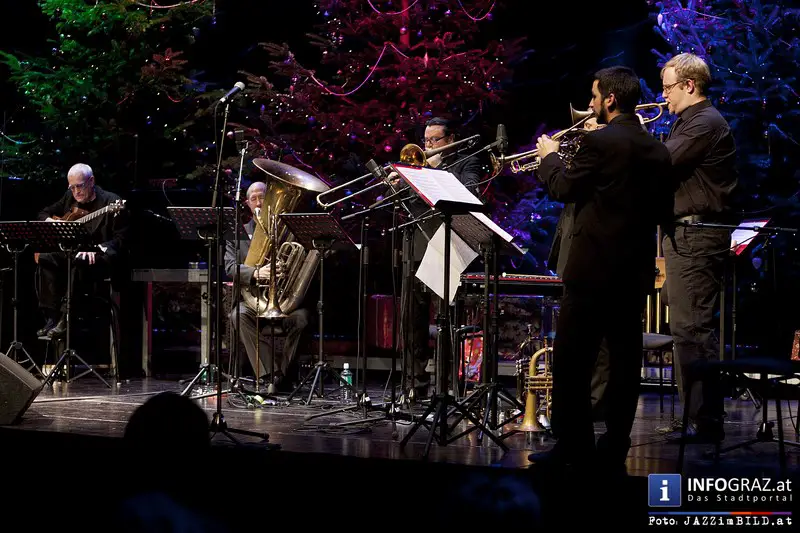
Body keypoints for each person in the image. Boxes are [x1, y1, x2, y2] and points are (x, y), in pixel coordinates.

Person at [529, 66, 672, 472]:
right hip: (633, 273)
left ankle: (574, 446)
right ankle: (615, 446)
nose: (590, 103)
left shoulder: (600, 142)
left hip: (591, 271)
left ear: (609, 98)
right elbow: (661, 210)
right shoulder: (658, 149)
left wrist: (549, 158)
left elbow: (562, 187)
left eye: (594, 96)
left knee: (573, 361)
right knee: (626, 363)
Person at [659, 53, 737, 442]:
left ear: (689, 85)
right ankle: (697, 416)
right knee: (685, 327)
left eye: (668, 88)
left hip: (697, 234)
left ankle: (705, 423)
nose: (662, 96)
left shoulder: (703, 122)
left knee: (692, 330)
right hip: (683, 234)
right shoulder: (686, 121)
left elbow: (660, 163)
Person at [395, 117, 486, 399]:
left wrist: (434, 172)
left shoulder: (466, 161)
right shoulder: (416, 165)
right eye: (426, 141)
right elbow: (407, 203)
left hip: (448, 249)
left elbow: (470, 192)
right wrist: (400, 182)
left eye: (435, 140)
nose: (429, 146)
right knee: (412, 323)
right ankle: (414, 385)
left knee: (447, 322)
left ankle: (445, 387)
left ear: (450, 140)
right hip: (417, 247)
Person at [546, 117, 611, 420]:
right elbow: (559, 186)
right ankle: (582, 406)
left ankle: (593, 405)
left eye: (592, 117)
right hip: (572, 245)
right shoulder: (588, 151)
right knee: (577, 338)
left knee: (595, 340)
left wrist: (551, 159)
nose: (583, 124)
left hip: (593, 252)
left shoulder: (607, 150)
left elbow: (566, 186)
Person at [225, 181, 309, 391]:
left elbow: (303, 261)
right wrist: (255, 273)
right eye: (253, 199)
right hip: (253, 299)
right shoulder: (238, 234)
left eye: (263, 196)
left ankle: (285, 378)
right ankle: (271, 374)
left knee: (302, 319)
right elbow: (229, 267)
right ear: (247, 204)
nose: (258, 202)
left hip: (285, 299)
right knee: (238, 315)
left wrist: (285, 270)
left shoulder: (289, 232)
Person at [36, 163, 128, 338]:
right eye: (72, 187)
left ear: (91, 181)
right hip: (73, 251)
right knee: (45, 258)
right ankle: (51, 316)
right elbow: (43, 213)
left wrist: (98, 250)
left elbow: (121, 240)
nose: (76, 191)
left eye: (80, 186)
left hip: (98, 258)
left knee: (78, 261)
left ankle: (66, 317)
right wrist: (54, 222)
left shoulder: (111, 202)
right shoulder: (69, 197)